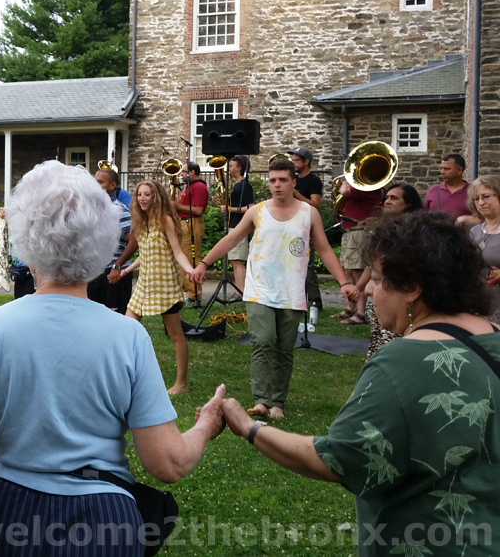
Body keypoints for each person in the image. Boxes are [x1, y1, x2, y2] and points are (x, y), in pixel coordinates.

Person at [0, 162, 227, 557]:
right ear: (101, 238)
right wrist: (207, 424)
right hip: (100, 517)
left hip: (6, 511)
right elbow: (168, 463)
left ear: (28, 236)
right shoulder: (127, 336)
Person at [219, 211, 500, 556]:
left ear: (412, 287)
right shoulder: (494, 339)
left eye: (379, 279)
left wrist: (249, 427)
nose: (368, 288)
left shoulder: (401, 361)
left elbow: (338, 459)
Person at [190, 157, 358, 420]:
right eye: (272, 180)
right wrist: (203, 264)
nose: (277, 185)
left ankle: (277, 402)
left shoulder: (308, 213)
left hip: (292, 291)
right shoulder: (256, 211)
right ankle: (261, 400)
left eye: (282, 180)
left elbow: (324, 249)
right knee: (263, 341)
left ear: (293, 182)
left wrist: (344, 282)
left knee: (284, 347)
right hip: (259, 289)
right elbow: (232, 238)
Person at [110, 180, 197, 394]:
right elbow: (145, 254)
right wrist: (126, 271)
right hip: (144, 285)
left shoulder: (165, 220)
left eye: (147, 194)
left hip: (164, 285)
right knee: (124, 329)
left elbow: (177, 251)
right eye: (139, 194)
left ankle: (181, 384)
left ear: (155, 196)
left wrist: (189, 270)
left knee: (175, 334)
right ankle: (123, 377)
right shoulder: (141, 221)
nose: (142, 198)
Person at [358, 183, 422, 357]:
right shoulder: (382, 227)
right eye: (386, 197)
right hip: (381, 291)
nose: (387, 201)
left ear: (408, 203)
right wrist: (359, 286)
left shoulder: (418, 230)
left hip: (399, 292)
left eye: (394, 198)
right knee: (378, 339)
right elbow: (372, 265)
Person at [330, 177, 382, 325]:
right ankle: (350, 308)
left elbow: (344, 191)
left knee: (358, 271)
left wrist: (346, 183)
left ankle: (360, 313)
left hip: (360, 231)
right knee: (348, 271)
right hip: (350, 231)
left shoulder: (368, 186)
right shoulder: (360, 188)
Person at [86, 168, 133, 314]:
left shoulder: (120, 211)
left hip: (114, 273)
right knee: (92, 315)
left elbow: (134, 241)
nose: (95, 186)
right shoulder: (90, 210)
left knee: (115, 315)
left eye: (100, 182)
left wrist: (117, 267)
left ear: (112, 186)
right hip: (94, 271)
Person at [288, 147, 325, 315]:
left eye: (296, 161)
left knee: (307, 266)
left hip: (307, 225)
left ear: (306, 162)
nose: (293, 163)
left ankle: (315, 301)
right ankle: (296, 298)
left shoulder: (313, 181)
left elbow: (315, 204)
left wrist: (296, 194)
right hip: (293, 224)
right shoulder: (294, 179)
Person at [219, 155, 255, 295]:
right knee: (234, 260)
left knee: (237, 260)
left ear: (239, 168)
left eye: (231, 165)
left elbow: (251, 207)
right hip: (233, 223)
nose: (229, 168)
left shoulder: (245, 185)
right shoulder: (236, 184)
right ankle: (241, 291)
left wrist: (230, 209)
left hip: (239, 225)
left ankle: (242, 292)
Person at [173, 162, 208, 302]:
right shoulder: (189, 186)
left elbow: (198, 210)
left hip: (191, 224)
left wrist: (177, 205)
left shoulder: (199, 186)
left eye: (183, 172)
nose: (181, 175)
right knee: (183, 257)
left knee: (190, 257)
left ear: (192, 172)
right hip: (184, 223)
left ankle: (194, 294)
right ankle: (187, 291)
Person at [468, 175, 500, 326]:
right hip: (477, 306)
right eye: (476, 198)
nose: (481, 202)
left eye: (486, 196)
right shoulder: (474, 231)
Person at [424, 153, 477, 224]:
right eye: (441, 168)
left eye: (446, 169)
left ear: (459, 170)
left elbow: (483, 219)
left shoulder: (473, 192)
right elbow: (423, 216)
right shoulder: (433, 191)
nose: (442, 172)